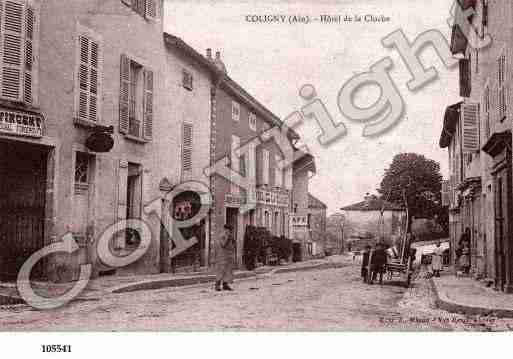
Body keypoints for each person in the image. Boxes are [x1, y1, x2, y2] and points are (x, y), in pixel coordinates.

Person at [214, 224, 236, 291]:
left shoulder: (230, 236)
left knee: (228, 270)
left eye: (230, 230)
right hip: (222, 256)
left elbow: (233, 245)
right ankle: (217, 285)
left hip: (229, 255)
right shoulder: (222, 236)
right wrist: (227, 238)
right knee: (221, 270)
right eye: (229, 230)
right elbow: (223, 244)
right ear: (225, 229)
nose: (230, 231)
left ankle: (225, 284)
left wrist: (232, 240)